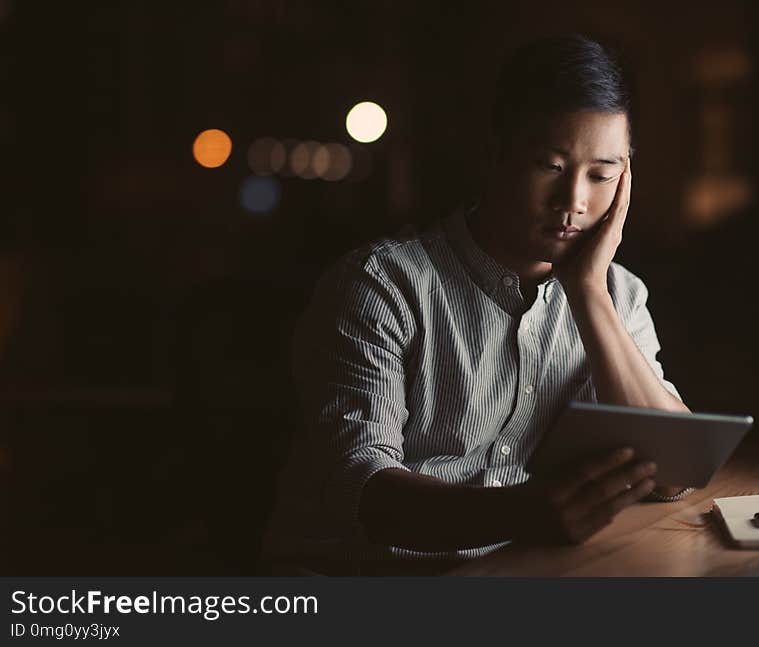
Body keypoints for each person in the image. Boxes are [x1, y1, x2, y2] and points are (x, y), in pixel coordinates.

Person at [275, 33, 692, 574]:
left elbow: (675, 472)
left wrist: (589, 294)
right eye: (551, 166)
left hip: (505, 577)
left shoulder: (618, 294)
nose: (574, 203)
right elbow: (364, 491)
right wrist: (518, 515)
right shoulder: (381, 285)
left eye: (602, 174)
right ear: (494, 152)